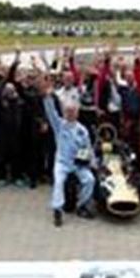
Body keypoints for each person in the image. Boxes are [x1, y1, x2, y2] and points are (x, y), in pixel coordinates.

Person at [40, 75, 96, 226]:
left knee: (90, 180)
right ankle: (57, 210)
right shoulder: (59, 125)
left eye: (73, 111)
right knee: (58, 182)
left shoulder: (82, 130)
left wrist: (92, 162)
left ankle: (81, 205)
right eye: (68, 111)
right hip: (62, 163)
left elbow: (88, 147)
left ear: (77, 113)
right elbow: (51, 113)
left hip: (78, 164)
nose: (70, 113)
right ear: (64, 113)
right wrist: (48, 97)